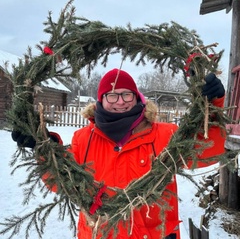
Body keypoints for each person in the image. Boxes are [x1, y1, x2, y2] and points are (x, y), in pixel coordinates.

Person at [12, 68, 226, 239]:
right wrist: (46, 148)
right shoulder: (83, 139)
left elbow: (210, 148)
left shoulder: (164, 134)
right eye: (112, 96)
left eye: (126, 94)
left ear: (137, 98)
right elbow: (62, 181)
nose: (121, 101)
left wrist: (213, 104)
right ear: (101, 100)